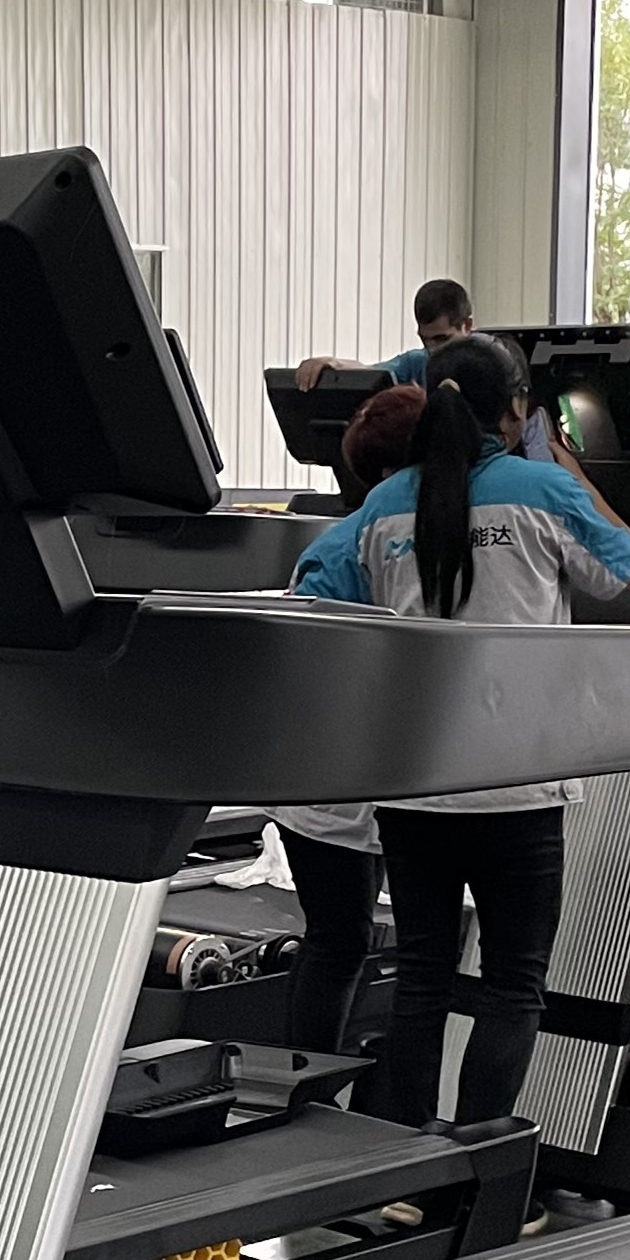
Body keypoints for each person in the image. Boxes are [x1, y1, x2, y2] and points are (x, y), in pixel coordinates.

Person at [290, 335, 630, 1127]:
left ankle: (408, 1161)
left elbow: (326, 595)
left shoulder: (384, 504)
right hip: (517, 784)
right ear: (516, 410)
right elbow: (625, 568)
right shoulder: (541, 488)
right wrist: (562, 461)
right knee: (514, 984)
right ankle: (481, 1159)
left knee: (422, 980)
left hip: (415, 786)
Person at [272, 380, 422, 1052]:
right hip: (336, 776)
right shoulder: (365, 545)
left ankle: (315, 1078)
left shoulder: (360, 538)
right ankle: (306, 1081)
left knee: (342, 939)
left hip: (346, 774)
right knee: (340, 940)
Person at [295, 277, 473, 397]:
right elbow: (373, 374)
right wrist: (332, 363)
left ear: (467, 326)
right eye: (425, 340)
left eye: (442, 339)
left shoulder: (486, 366)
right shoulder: (417, 362)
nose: (432, 349)